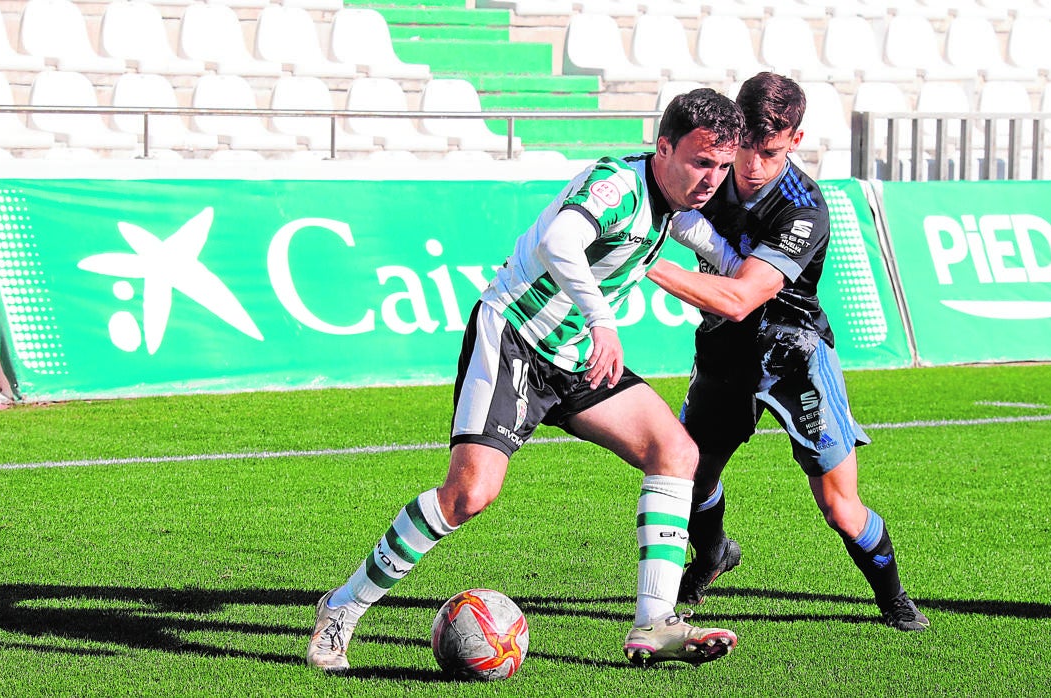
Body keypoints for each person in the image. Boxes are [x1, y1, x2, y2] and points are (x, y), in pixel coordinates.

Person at [307, 88, 750, 672]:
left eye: (722, 167)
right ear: (663, 147)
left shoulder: (680, 209)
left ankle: (654, 622)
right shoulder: (616, 184)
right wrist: (602, 320)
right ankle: (340, 609)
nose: (711, 178)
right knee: (468, 496)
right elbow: (558, 241)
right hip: (515, 336)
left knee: (674, 451)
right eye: (700, 162)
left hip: (575, 358)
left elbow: (716, 251)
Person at [646, 73, 930, 632]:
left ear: (795, 141)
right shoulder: (713, 168)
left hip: (793, 355)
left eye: (769, 151)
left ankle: (894, 597)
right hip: (725, 354)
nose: (750, 165)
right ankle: (713, 556)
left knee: (839, 507)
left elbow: (740, 297)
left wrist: (646, 262)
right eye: (745, 146)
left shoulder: (805, 209)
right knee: (692, 478)